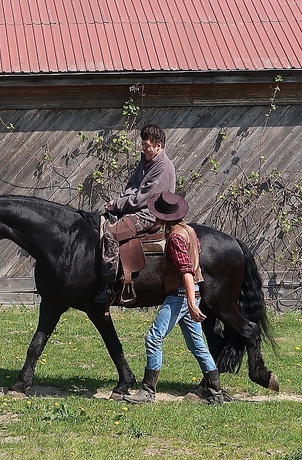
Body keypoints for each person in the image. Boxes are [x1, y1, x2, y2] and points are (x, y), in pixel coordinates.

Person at [123, 191, 223, 405]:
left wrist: (189, 300)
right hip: (191, 295)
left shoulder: (176, 237)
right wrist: (194, 298)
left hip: (180, 296)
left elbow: (186, 270)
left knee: (153, 337)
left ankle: (148, 391)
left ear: (162, 217)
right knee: (198, 345)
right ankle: (216, 394)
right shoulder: (189, 231)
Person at [96, 123, 176, 304]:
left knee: (110, 235)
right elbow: (131, 187)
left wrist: (118, 205)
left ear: (158, 144)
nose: (144, 149)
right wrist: (117, 202)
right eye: (143, 145)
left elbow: (143, 198)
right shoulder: (145, 162)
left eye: (147, 146)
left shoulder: (163, 167)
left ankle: (108, 286)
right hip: (135, 208)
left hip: (149, 214)